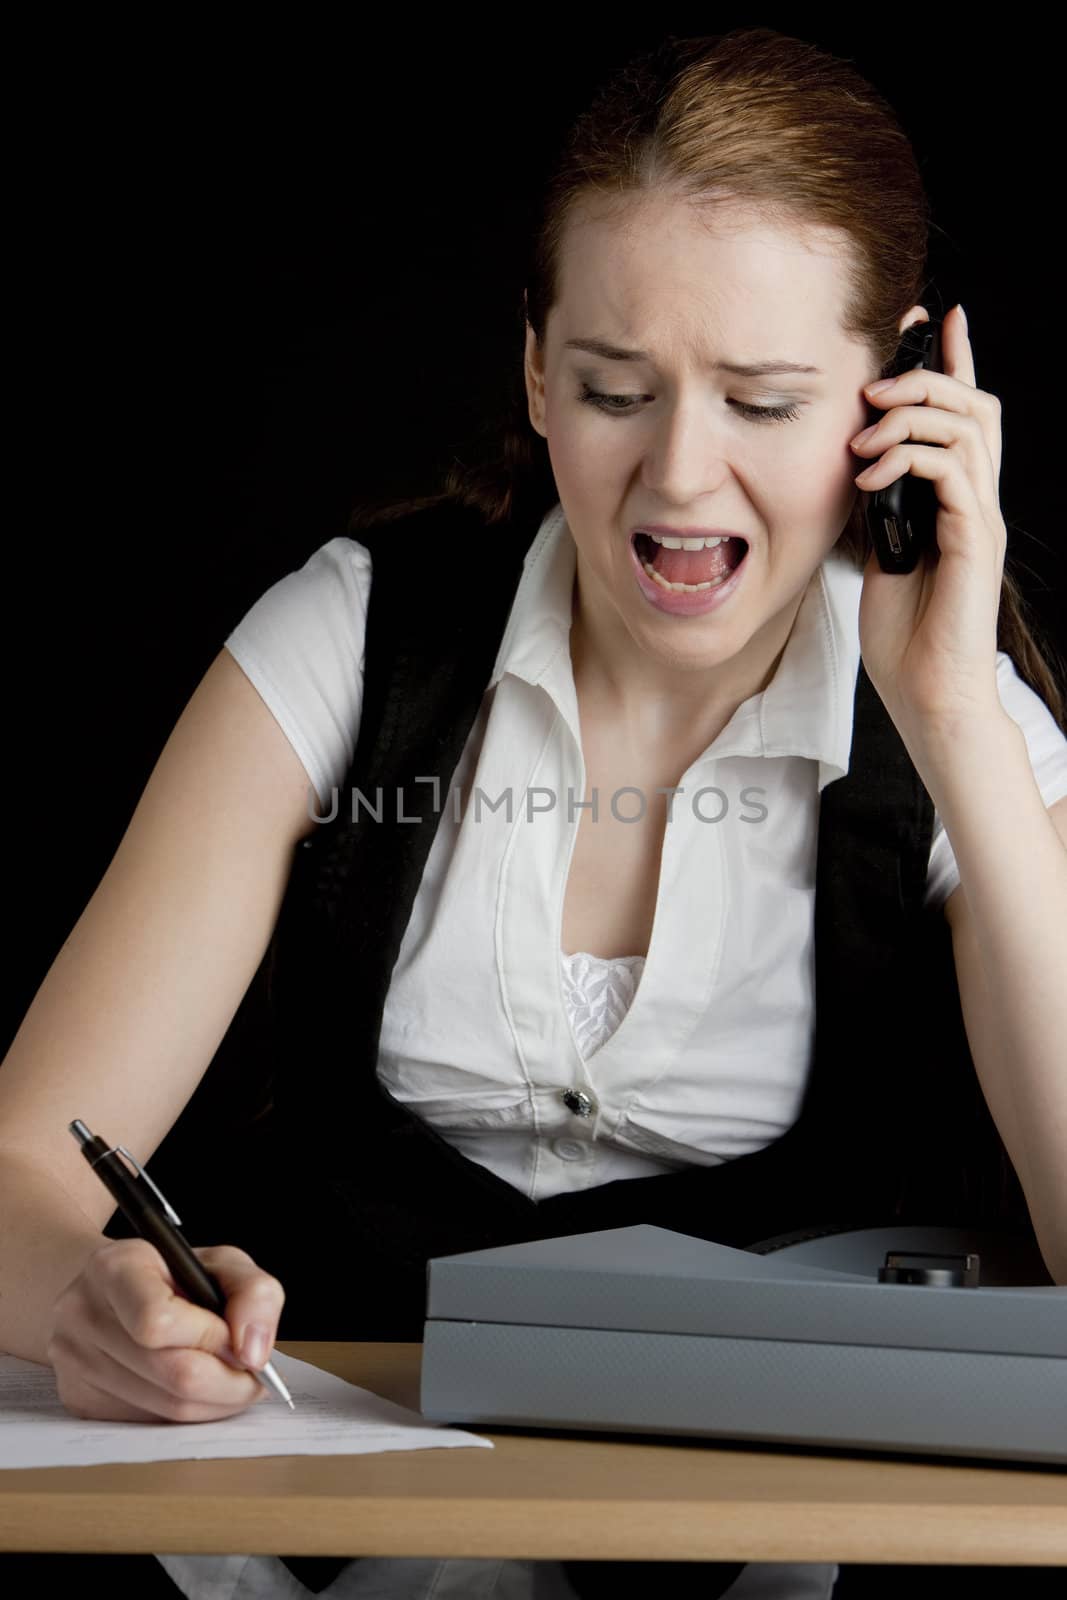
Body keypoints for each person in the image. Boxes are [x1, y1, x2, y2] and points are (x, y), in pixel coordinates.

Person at [2, 25, 1066, 1600]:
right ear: (532, 370)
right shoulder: (353, 637)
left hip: (737, 1569)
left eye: (766, 403)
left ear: (897, 391)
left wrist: (961, 722)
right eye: (614, 389)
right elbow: (24, 1158)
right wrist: (81, 1290)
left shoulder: (960, 729)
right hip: (313, 1558)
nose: (679, 479)